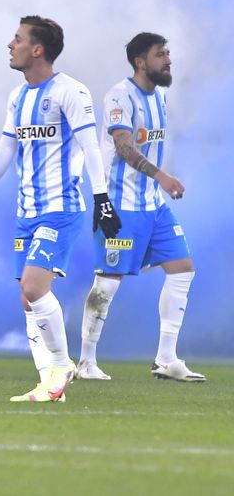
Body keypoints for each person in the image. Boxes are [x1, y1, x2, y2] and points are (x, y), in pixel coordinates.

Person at [0, 15, 121, 403]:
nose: (9, 45)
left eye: (17, 39)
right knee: (27, 298)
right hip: (27, 212)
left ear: (37, 49)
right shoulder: (17, 97)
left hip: (61, 208)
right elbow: (6, 146)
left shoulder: (71, 91)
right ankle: (49, 383)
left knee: (35, 288)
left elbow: (90, 146)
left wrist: (102, 199)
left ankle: (61, 365)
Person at [76, 33, 204, 382]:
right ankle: (86, 362)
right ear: (140, 62)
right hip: (120, 205)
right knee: (108, 283)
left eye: (168, 53)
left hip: (153, 205)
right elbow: (123, 147)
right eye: (160, 54)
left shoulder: (160, 97)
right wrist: (162, 175)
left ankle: (166, 358)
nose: (168, 60)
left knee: (182, 268)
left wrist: (159, 183)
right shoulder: (120, 95)